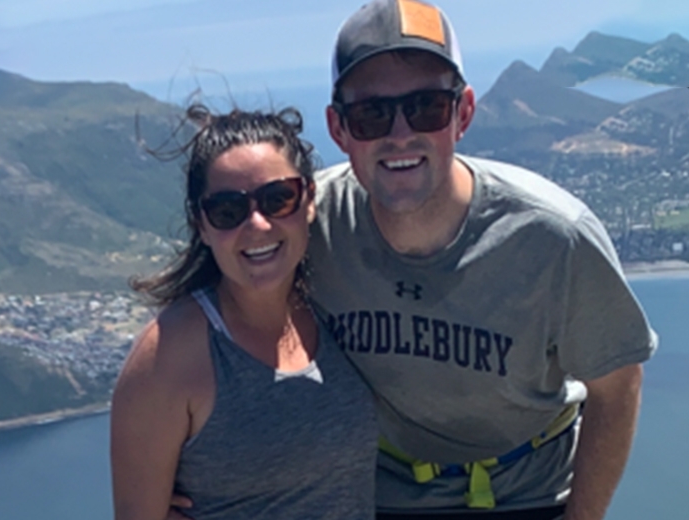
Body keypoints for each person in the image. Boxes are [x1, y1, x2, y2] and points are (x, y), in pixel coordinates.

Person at [165, 1, 656, 519]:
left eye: (426, 107)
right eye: (372, 114)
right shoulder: (305, 222)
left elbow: (617, 384)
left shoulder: (554, 237)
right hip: (382, 496)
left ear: (462, 113)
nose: (400, 134)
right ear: (339, 129)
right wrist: (176, 476)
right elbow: (220, 311)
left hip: (530, 493)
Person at [110, 104, 378, 520]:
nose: (257, 225)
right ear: (201, 224)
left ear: (308, 199)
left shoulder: (333, 305)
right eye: (228, 210)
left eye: (278, 199)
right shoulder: (170, 356)